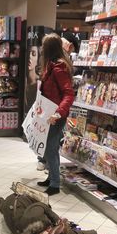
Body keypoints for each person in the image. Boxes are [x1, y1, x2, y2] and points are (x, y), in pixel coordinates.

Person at [37, 33, 75, 196]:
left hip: (55, 116)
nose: (41, 50)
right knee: (47, 148)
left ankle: (55, 184)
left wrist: (59, 114)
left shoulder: (59, 68)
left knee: (51, 149)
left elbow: (69, 94)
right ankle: (52, 177)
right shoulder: (51, 65)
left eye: (43, 47)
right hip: (48, 113)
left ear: (48, 49)